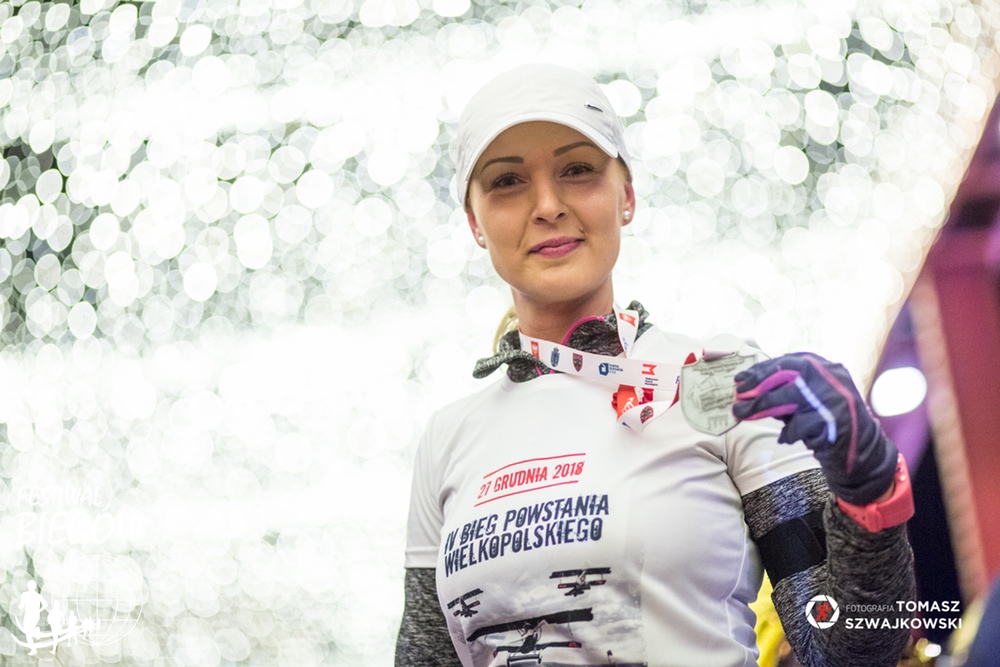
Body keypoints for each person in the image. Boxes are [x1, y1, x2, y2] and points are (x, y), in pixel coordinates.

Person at [396, 63, 916, 667]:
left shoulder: (715, 381)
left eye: (577, 170)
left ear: (627, 196)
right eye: (507, 181)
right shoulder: (448, 439)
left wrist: (868, 487)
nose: (548, 205)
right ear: (474, 224)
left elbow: (850, 647)